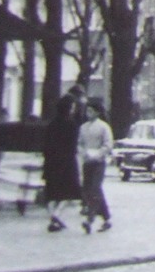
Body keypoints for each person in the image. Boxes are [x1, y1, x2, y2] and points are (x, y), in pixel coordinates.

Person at [41, 92, 83, 232]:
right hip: (66, 162)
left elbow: (46, 144)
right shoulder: (71, 124)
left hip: (51, 162)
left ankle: (54, 217)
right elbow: (73, 145)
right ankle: (56, 216)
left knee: (52, 193)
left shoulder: (52, 124)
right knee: (69, 193)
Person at [78, 98, 115, 233]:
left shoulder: (104, 127)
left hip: (99, 162)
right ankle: (106, 218)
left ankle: (90, 219)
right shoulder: (83, 127)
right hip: (87, 162)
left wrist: (98, 154)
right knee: (90, 190)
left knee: (95, 188)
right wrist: (84, 153)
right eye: (87, 111)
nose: (89, 113)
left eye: (91, 111)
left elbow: (108, 144)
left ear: (97, 113)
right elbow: (79, 143)